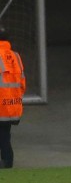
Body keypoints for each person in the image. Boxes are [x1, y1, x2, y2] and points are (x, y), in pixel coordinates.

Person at [0, 25, 26, 168]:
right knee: (4, 134)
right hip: (12, 105)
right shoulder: (16, 56)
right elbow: (22, 82)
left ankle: (7, 161)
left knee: (3, 135)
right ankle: (7, 160)